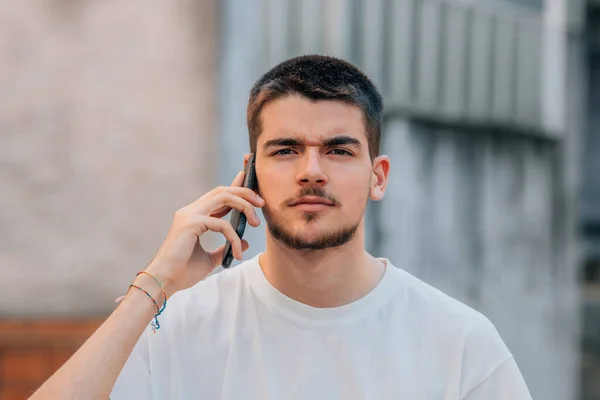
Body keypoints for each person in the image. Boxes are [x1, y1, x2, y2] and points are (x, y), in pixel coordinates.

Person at [31, 55, 531, 400]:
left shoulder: (459, 342)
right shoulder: (180, 326)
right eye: (286, 149)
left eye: (338, 150)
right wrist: (155, 283)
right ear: (250, 174)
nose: (311, 170)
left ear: (377, 177)